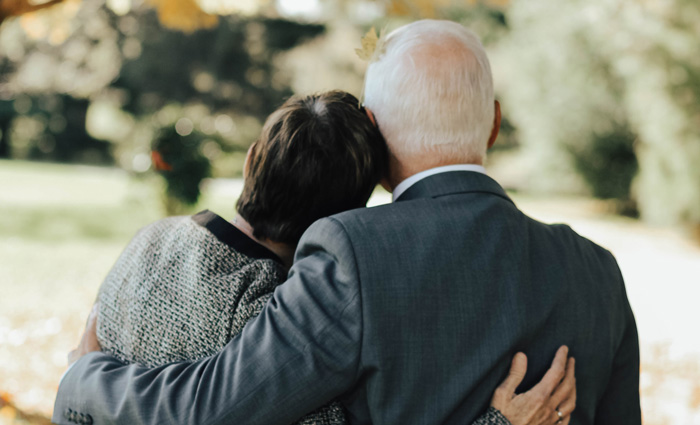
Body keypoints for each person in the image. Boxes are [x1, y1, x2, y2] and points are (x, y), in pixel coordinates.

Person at [53, 19, 638, 424]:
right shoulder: (600, 274)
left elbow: (209, 411)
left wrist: (85, 378)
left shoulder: (349, 255)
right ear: (493, 124)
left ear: (378, 139)